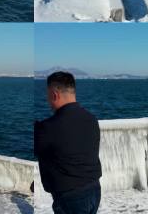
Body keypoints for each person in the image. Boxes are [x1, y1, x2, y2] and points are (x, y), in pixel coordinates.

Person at [35, 72, 102, 214]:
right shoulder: (92, 119)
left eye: (48, 95)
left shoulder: (47, 127)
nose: (47, 100)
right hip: (94, 189)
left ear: (54, 95)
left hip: (69, 197)